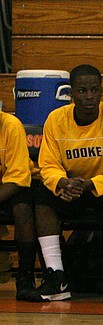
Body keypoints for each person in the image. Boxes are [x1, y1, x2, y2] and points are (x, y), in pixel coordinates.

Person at [30, 64, 103, 303]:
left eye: (94, 90)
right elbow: (47, 165)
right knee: (41, 194)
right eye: (82, 90)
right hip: (71, 191)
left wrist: (91, 184)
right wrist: (62, 182)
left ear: (101, 91)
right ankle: (56, 276)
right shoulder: (56, 119)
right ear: (71, 94)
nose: (89, 96)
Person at [0, 111, 37, 301]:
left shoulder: (11, 125)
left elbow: (18, 177)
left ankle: (25, 276)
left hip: (13, 187)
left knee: (23, 209)